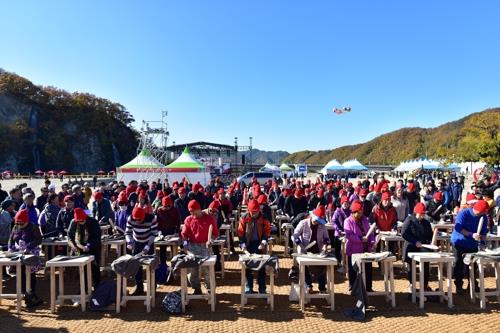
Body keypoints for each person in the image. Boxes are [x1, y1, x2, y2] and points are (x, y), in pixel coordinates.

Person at [451, 200, 489, 294]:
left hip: (472, 244)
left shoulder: (483, 217)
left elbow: (483, 232)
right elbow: (458, 228)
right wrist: (471, 234)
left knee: (473, 265)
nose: (484, 213)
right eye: (483, 212)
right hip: (459, 242)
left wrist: (483, 242)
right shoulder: (464, 213)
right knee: (459, 264)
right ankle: (459, 285)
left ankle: (472, 284)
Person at [181, 200, 218, 294]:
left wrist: (211, 241)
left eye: (194, 211)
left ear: (199, 209)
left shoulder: (209, 219)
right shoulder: (188, 220)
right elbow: (184, 234)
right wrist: (185, 244)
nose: (192, 213)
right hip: (193, 247)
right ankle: (197, 288)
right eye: (190, 212)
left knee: (207, 271)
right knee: (192, 271)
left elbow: (214, 234)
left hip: (205, 247)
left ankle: (210, 289)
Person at [8, 209, 43, 308]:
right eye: (17, 223)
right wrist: (10, 247)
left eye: (21, 223)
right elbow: (11, 238)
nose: (19, 225)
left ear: (27, 221)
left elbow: (39, 239)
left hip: (31, 252)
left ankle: (31, 293)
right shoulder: (16, 226)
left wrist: (28, 247)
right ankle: (23, 293)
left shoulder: (33, 227)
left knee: (30, 274)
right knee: (21, 273)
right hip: (19, 253)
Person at [293, 205, 330, 293]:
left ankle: (322, 288)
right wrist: (300, 244)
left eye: (319, 221)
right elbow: (295, 235)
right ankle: (308, 285)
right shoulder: (303, 223)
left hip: (318, 251)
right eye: (316, 220)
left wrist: (325, 245)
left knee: (322, 268)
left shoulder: (322, 226)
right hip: (305, 250)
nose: (317, 222)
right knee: (304, 267)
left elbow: (326, 238)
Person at [238, 199, 272, 294]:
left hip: (260, 244)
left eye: (256, 212)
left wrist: (265, 240)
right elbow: (240, 232)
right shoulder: (244, 217)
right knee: (248, 267)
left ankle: (262, 288)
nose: (254, 214)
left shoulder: (263, 217)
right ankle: (248, 287)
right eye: (252, 212)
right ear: (249, 211)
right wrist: (242, 244)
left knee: (261, 267)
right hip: (249, 244)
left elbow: (267, 230)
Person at [401, 202, 434, 293]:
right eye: (421, 214)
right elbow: (404, 233)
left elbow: (429, 236)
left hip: (422, 247)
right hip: (411, 246)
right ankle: (412, 284)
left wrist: (431, 243)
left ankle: (425, 285)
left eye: (423, 214)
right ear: (416, 212)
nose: (422, 216)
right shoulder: (409, 220)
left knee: (425, 264)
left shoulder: (426, 223)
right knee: (411, 266)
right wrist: (415, 242)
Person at [125, 206, 158, 295]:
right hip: (137, 242)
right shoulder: (130, 218)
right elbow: (128, 232)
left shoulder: (152, 218)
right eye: (137, 220)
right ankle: (139, 287)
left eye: (140, 220)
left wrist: (148, 245)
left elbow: (154, 234)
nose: (138, 222)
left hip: (148, 241)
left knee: (151, 265)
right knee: (136, 265)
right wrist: (129, 242)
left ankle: (152, 287)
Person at [344, 200, 375, 292]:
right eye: (359, 213)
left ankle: (368, 287)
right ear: (353, 213)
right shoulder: (348, 221)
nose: (361, 214)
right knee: (353, 269)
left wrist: (372, 242)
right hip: (353, 249)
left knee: (368, 268)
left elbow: (370, 233)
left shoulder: (365, 220)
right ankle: (352, 287)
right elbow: (349, 235)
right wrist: (360, 239)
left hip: (366, 248)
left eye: (361, 212)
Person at [67, 208, 102, 288]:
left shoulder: (93, 222)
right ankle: (84, 288)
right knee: (83, 270)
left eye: (82, 220)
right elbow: (69, 236)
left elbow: (96, 237)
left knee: (95, 268)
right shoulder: (73, 223)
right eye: (78, 221)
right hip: (79, 250)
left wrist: (88, 246)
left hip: (93, 248)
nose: (80, 222)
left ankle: (97, 288)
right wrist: (73, 246)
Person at [156, 196, 181, 265]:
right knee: (162, 250)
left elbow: (178, 222)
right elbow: (158, 223)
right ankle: (163, 266)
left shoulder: (175, 210)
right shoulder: (160, 211)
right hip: (163, 232)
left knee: (173, 249)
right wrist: (159, 233)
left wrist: (176, 231)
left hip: (172, 231)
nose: (167, 208)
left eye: (168, 206)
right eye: (165, 206)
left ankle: (174, 265)